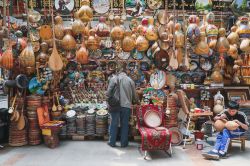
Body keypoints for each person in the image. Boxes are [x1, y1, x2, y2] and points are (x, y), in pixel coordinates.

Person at [106, 63, 138, 147]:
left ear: (118, 71)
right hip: (126, 106)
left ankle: (112, 142)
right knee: (125, 125)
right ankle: (124, 143)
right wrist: (137, 102)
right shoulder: (130, 80)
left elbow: (108, 93)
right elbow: (135, 95)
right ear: (126, 71)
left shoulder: (114, 79)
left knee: (114, 123)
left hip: (115, 105)